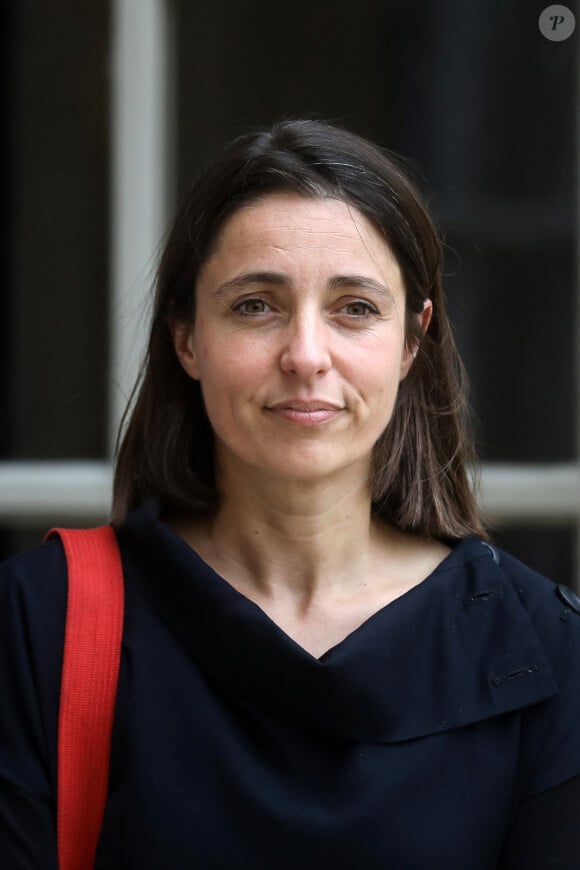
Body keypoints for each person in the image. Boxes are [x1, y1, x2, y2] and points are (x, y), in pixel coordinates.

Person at [1, 118, 579, 869]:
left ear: (412, 342)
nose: (306, 355)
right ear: (186, 338)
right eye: (255, 305)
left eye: (355, 308)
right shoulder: (38, 623)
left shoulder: (547, 653)